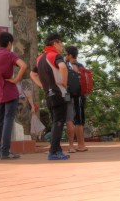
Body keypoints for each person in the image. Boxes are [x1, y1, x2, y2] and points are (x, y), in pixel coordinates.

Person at [0, 31, 28, 160]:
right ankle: (5, 151)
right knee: (8, 120)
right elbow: (23, 65)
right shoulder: (10, 54)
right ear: (9, 43)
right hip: (10, 90)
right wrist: (16, 80)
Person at [30, 32, 69, 160]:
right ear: (55, 43)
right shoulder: (55, 55)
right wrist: (64, 81)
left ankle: (57, 150)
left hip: (48, 95)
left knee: (55, 122)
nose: (62, 46)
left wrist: (42, 85)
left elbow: (32, 74)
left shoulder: (40, 58)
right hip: (59, 93)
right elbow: (63, 67)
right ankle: (53, 152)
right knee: (59, 122)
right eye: (61, 42)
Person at [64, 45, 88, 153]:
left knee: (73, 120)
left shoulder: (68, 66)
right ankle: (81, 144)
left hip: (71, 96)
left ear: (70, 55)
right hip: (81, 96)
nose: (65, 56)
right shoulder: (81, 66)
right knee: (80, 120)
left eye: (66, 54)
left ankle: (76, 145)